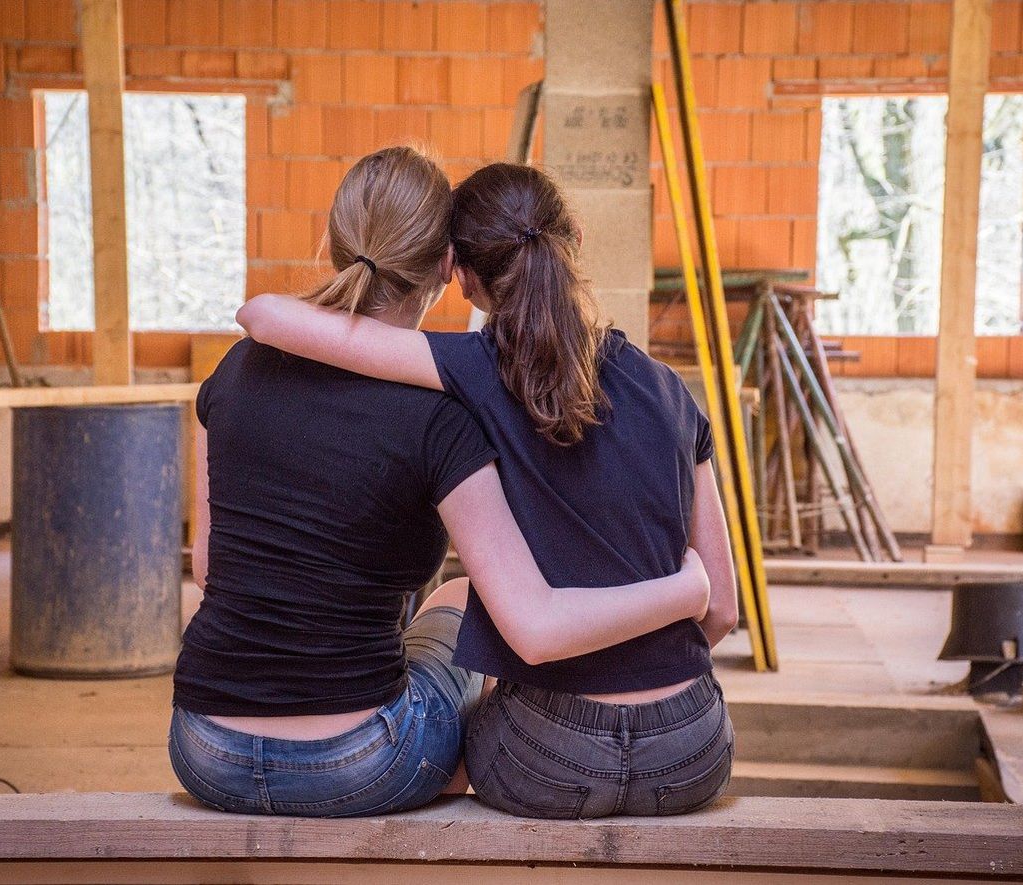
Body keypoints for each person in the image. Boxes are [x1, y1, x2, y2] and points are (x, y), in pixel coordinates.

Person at [171, 147, 712, 819]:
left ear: (337, 240)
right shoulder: (447, 411)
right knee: (460, 599)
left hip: (201, 745)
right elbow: (539, 621)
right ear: (446, 268)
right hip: (362, 763)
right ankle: (445, 765)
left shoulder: (230, 373)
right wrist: (685, 588)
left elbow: (208, 567)